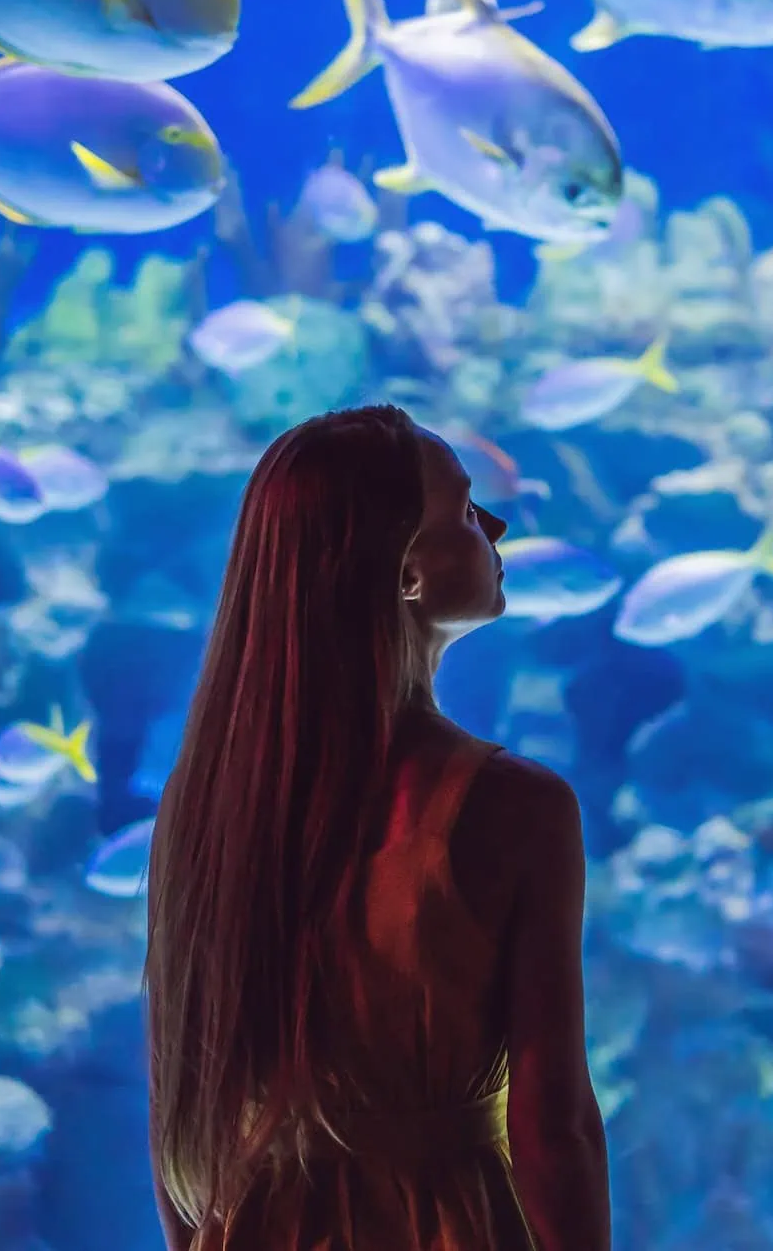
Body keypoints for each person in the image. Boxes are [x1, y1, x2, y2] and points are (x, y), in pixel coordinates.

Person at [143, 405, 611, 1250]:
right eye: (465, 509)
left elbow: (181, 1106)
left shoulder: (199, 801)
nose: (496, 526)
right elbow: (555, 1126)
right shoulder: (519, 806)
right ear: (407, 576)